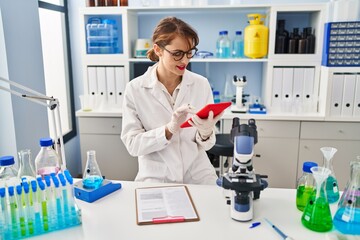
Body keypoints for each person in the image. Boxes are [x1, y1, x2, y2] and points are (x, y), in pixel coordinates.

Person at [121, 16, 224, 185]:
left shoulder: (201, 84)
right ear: (158, 49)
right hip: (156, 178)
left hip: (198, 176)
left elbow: (207, 145)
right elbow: (132, 145)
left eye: (189, 52)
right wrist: (168, 130)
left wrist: (206, 132)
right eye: (177, 54)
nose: (185, 60)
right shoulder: (135, 89)